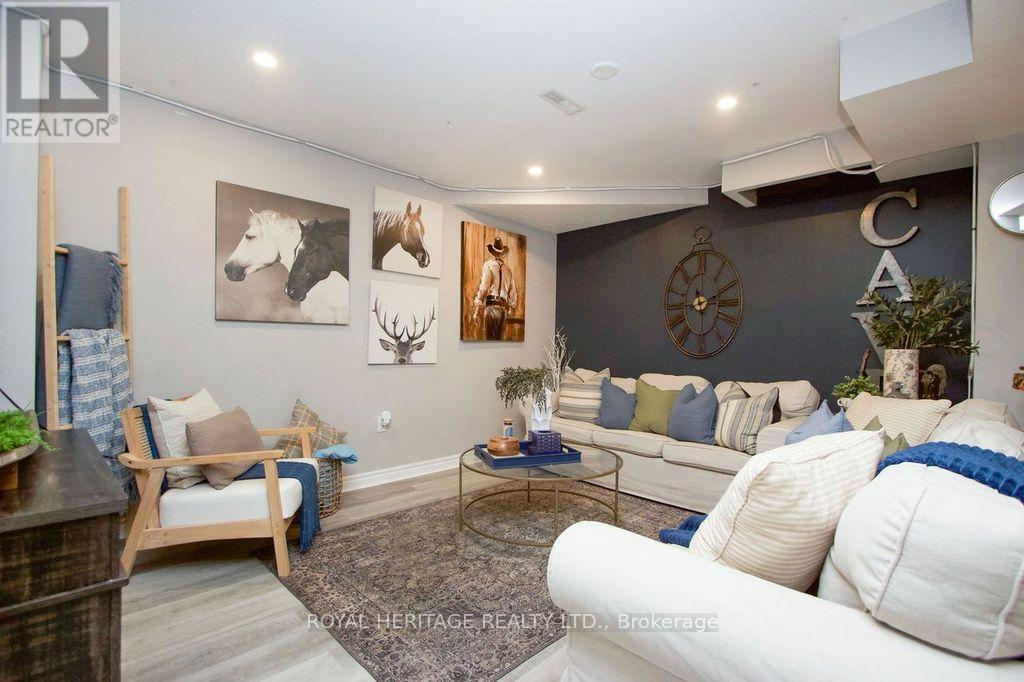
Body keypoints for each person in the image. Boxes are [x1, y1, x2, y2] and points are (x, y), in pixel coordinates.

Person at [471, 236, 518, 340]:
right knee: (498, 340)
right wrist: (511, 308)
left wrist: (477, 310)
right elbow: (513, 294)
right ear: (502, 253)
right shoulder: (508, 270)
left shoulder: (488, 265)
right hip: (503, 310)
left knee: (489, 340)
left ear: (492, 252)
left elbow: (484, 288)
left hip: (491, 307)